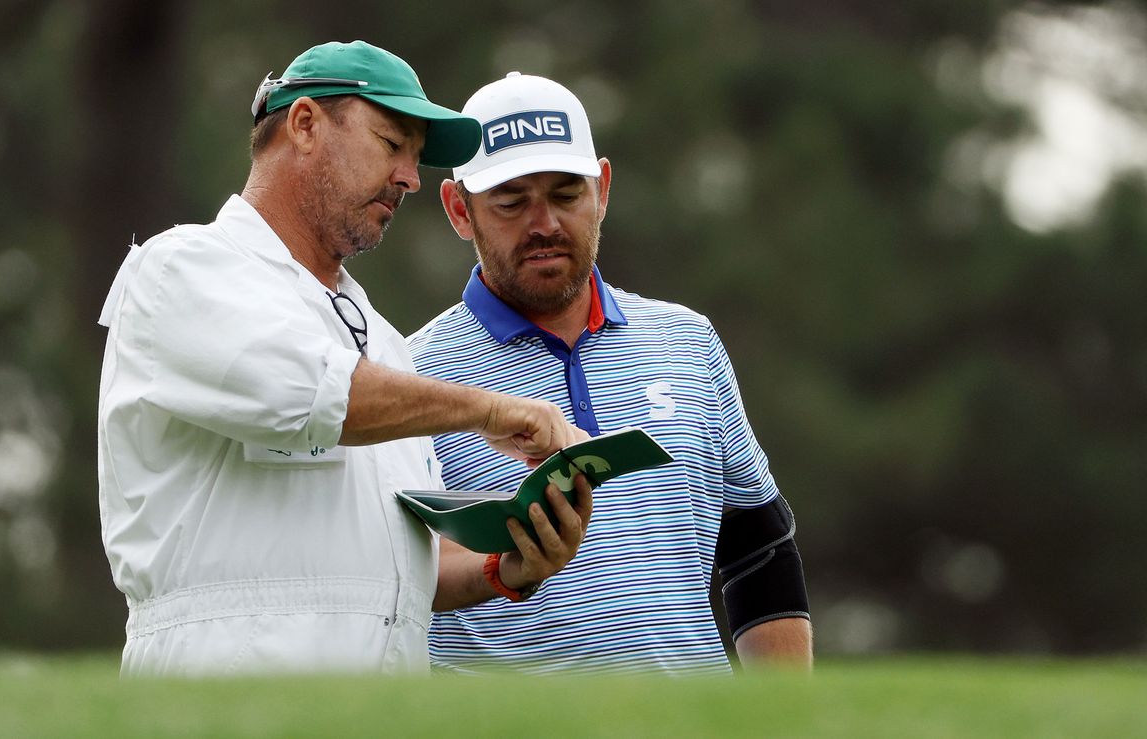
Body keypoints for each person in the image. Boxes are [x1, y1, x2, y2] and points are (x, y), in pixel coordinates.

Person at [96, 43, 593, 677]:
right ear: (304, 125)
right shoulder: (181, 269)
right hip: (218, 695)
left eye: (416, 158)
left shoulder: (383, 342)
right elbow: (316, 394)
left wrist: (504, 567)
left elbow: (399, 563)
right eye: (392, 144)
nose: (411, 177)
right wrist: (490, 410)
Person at [408, 73, 812, 674]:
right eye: (512, 201)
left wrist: (786, 721)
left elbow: (757, 545)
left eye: (566, 194)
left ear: (603, 189)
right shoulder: (412, 372)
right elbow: (397, 580)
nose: (543, 222)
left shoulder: (686, 340)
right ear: (458, 210)